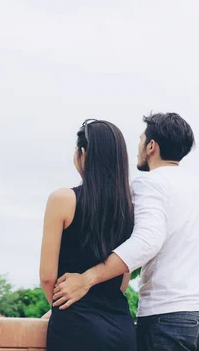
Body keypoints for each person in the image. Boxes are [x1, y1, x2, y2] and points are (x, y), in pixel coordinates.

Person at [52, 112, 199, 351]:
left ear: (151, 146)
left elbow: (147, 241)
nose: (138, 148)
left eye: (140, 140)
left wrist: (87, 279)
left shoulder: (149, 183)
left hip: (170, 318)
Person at [40, 119, 136, 351]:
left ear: (83, 153)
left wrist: (61, 305)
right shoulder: (130, 209)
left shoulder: (63, 200)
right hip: (122, 329)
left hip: (76, 328)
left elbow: (47, 277)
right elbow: (122, 280)